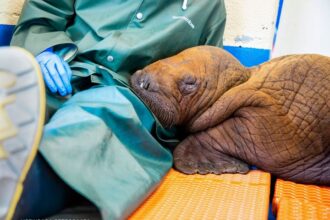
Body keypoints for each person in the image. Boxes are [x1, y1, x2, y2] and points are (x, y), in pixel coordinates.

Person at [2, 0, 226, 219]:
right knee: (23, 96)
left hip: (131, 95)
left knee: (94, 117)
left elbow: (208, 82)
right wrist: (44, 51)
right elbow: (44, 10)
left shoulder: (208, 6)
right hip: (68, 69)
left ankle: (27, 188)